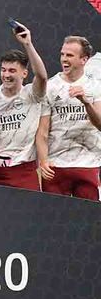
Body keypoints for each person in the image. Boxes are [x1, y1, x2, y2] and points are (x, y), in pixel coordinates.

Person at [0, 24, 47, 190]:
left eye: (12, 71)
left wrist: (27, 44)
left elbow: (42, 76)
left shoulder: (32, 94)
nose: (6, 75)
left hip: (24, 171)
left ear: (24, 73)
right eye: (3, 70)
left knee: (27, 215)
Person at [36, 36, 101, 200]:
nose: (64, 59)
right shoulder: (50, 87)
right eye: (62, 54)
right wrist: (43, 161)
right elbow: (43, 132)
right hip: (56, 166)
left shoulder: (95, 86)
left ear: (84, 59)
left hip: (88, 164)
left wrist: (86, 103)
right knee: (54, 219)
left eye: (70, 55)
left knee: (88, 220)